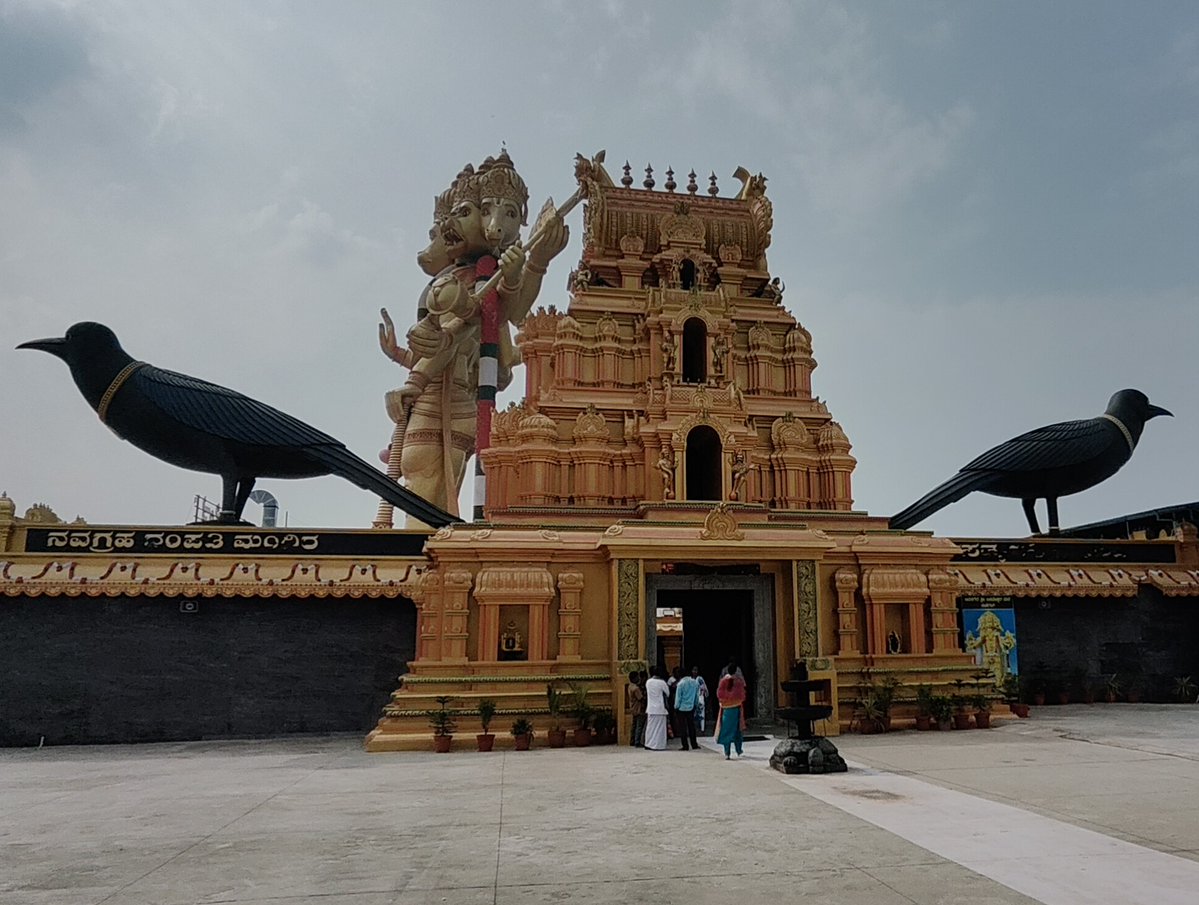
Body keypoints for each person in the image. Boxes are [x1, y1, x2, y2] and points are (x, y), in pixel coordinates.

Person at [715, 669, 747, 759]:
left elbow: (719, 695)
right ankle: (739, 750)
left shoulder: (722, 681)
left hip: (726, 710)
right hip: (736, 709)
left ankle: (727, 753)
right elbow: (742, 696)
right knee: (737, 730)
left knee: (726, 731)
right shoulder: (739, 681)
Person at [644, 666, 671, 751]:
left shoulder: (648, 682)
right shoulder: (662, 682)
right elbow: (668, 693)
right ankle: (658, 745)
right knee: (659, 729)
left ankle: (648, 743)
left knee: (650, 728)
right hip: (660, 708)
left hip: (651, 708)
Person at [673, 666, 699, 751]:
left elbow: (678, 697)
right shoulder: (694, 682)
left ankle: (685, 745)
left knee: (683, 727)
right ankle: (694, 744)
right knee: (691, 726)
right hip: (691, 707)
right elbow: (696, 696)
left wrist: (676, 707)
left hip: (681, 708)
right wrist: (695, 704)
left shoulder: (680, 684)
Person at [627, 669, 646, 747]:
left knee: (634, 725)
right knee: (639, 725)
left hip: (633, 708)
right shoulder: (636, 688)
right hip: (638, 708)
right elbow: (641, 698)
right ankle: (637, 742)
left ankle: (632, 740)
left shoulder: (630, 686)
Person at [691, 666, 710, 734]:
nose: (695, 672)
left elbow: (704, 688)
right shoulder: (690, 679)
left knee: (701, 714)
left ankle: (702, 729)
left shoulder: (700, 679)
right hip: (691, 699)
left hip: (700, 698)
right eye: (693, 670)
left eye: (696, 670)